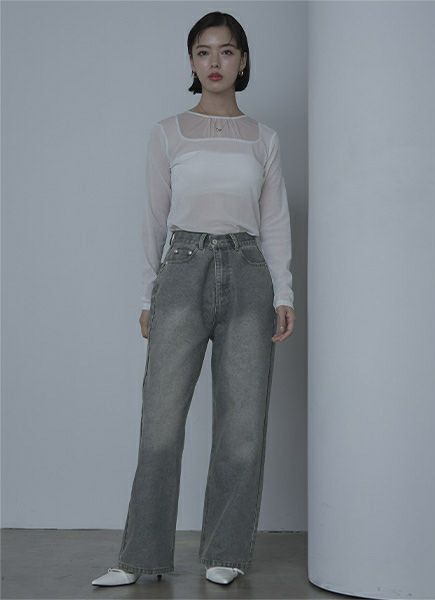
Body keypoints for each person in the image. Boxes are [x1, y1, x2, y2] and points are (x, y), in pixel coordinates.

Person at [92, 10, 295, 588]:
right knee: (160, 422)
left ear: (243, 60)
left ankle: (225, 551)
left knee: (242, 425)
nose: (215, 62)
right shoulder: (169, 132)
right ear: (191, 61)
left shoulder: (265, 139)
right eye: (203, 52)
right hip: (182, 271)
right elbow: (152, 220)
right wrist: (147, 294)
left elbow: (274, 222)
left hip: (249, 273)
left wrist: (284, 291)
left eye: (226, 51)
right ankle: (139, 557)